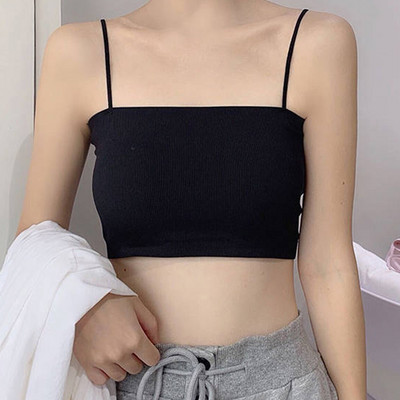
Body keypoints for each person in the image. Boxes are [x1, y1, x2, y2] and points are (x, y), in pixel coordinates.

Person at [16, 0, 366, 399]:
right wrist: (82, 309)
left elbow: (327, 264)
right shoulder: (80, 51)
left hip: (283, 384)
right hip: (135, 382)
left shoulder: (317, 42)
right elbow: (35, 239)